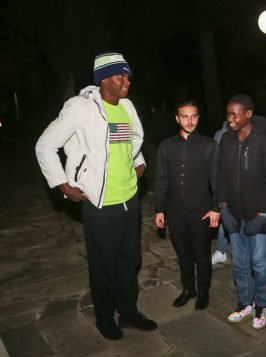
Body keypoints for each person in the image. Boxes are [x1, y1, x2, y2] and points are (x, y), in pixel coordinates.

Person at [35, 51, 157, 340]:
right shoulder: (80, 108)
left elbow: (131, 141)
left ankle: (128, 313)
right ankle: (104, 317)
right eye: (121, 76)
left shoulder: (127, 106)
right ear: (103, 79)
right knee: (104, 264)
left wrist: (139, 162)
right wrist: (64, 185)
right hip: (99, 202)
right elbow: (45, 145)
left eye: (128, 76)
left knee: (129, 261)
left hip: (129, 198)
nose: (127, 81)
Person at [218, 94, 266, 330]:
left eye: (235, 115)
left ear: (248, 114)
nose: (230, 119)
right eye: (228, 114)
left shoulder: (265, 142)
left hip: (260, 216)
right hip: (235, 214)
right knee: (240, 263)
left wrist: (263, 215)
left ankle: (262, 305)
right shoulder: (226, 140)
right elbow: (221, 174)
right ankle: (245, 303)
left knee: (260, 263)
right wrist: (223, 207)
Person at [154, 99, 219, 310]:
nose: (189, 121)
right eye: (184, 116)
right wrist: (159, 209)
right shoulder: (166, 146)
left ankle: (203, 291)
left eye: (193, 116)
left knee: (202, 255)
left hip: (201, 210)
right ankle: (188, 289)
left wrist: (216, 209)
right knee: (183, 254)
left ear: (198, 117)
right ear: (177, 118)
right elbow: (161, 179)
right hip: (175, 211)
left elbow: (216, 180)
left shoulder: (210, 145)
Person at [211, 120, 230, 265]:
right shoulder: (220, 134)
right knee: (224, 216)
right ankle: (221, 250)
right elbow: (214, 161)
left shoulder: (250, 132)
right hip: (224, 183)